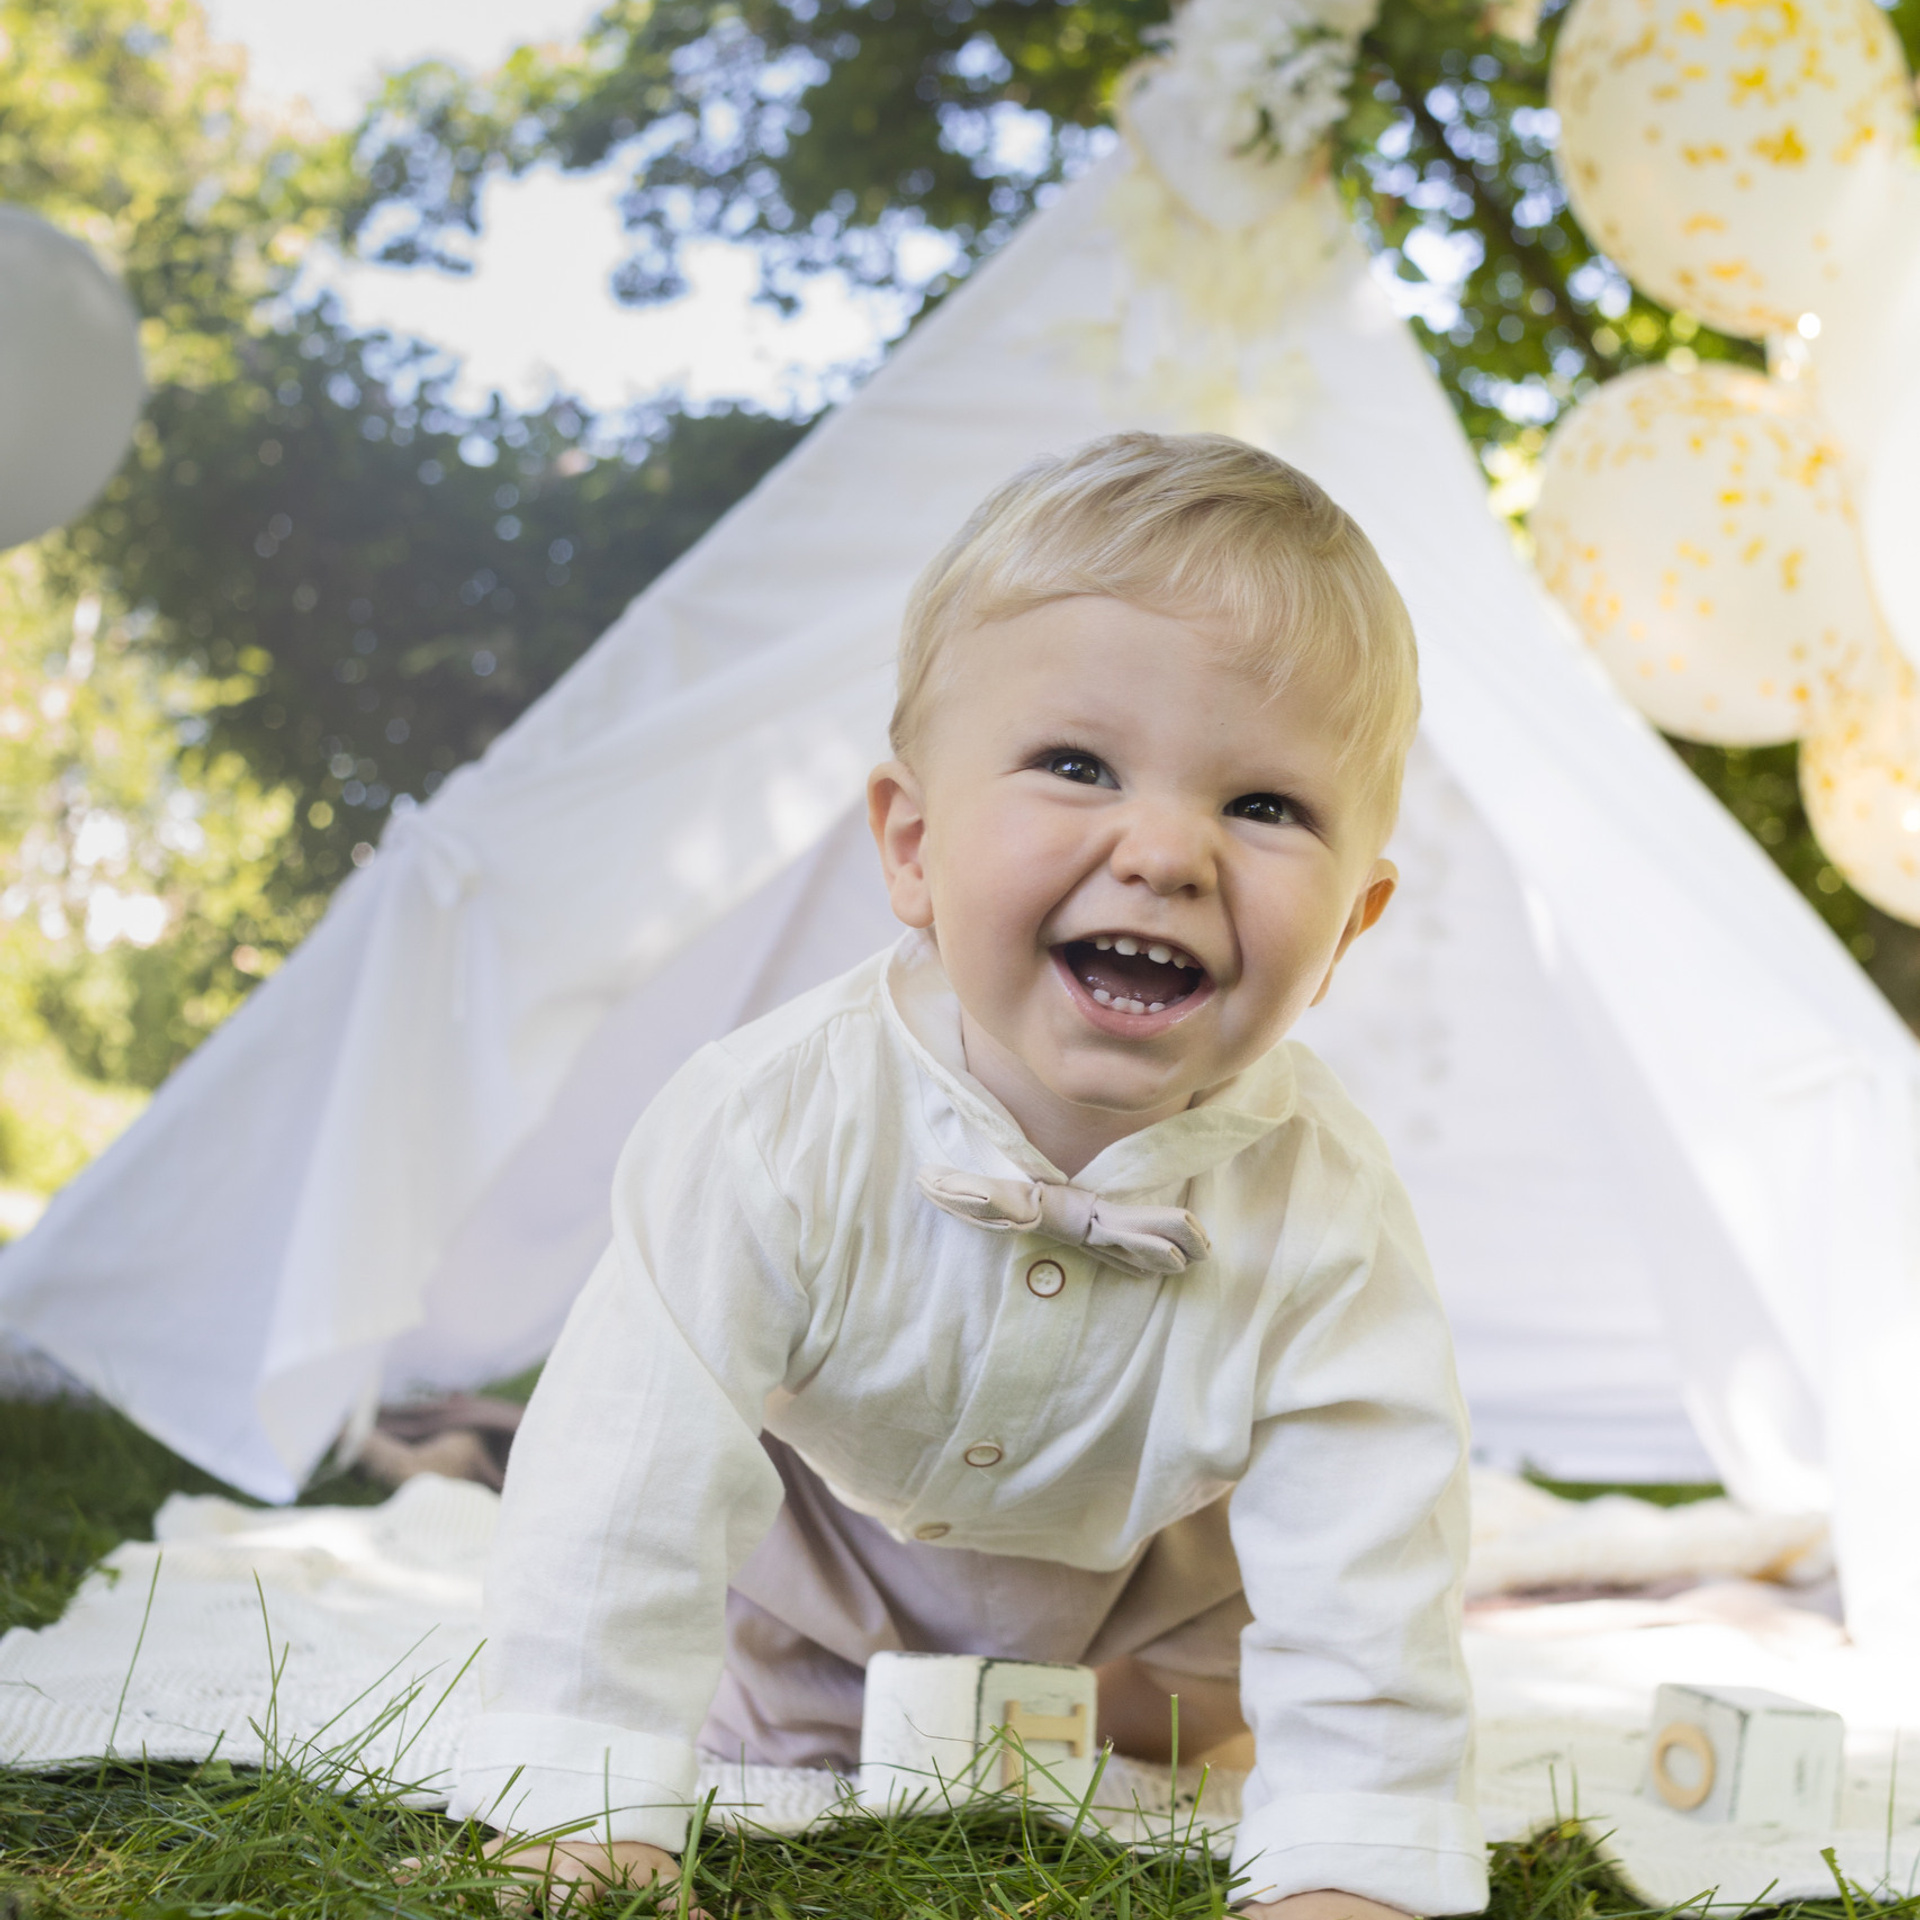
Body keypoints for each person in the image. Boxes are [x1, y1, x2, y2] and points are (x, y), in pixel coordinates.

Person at [450, 432, 1487, 1918]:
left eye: (1266, 807)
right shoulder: (772, 1123)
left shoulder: (1327, 1205)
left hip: (1150, 1574)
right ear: (916, 845)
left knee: (1197, 1727)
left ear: (1353, 926)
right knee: (793, 1738)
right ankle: (825, 1693)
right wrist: (585, 1792)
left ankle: (1135, 1709)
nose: (1167, 849)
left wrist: (1360, 1858)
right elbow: (629, 1464)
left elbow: (1369, 1543)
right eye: (1078, 765)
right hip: (832, 1561)